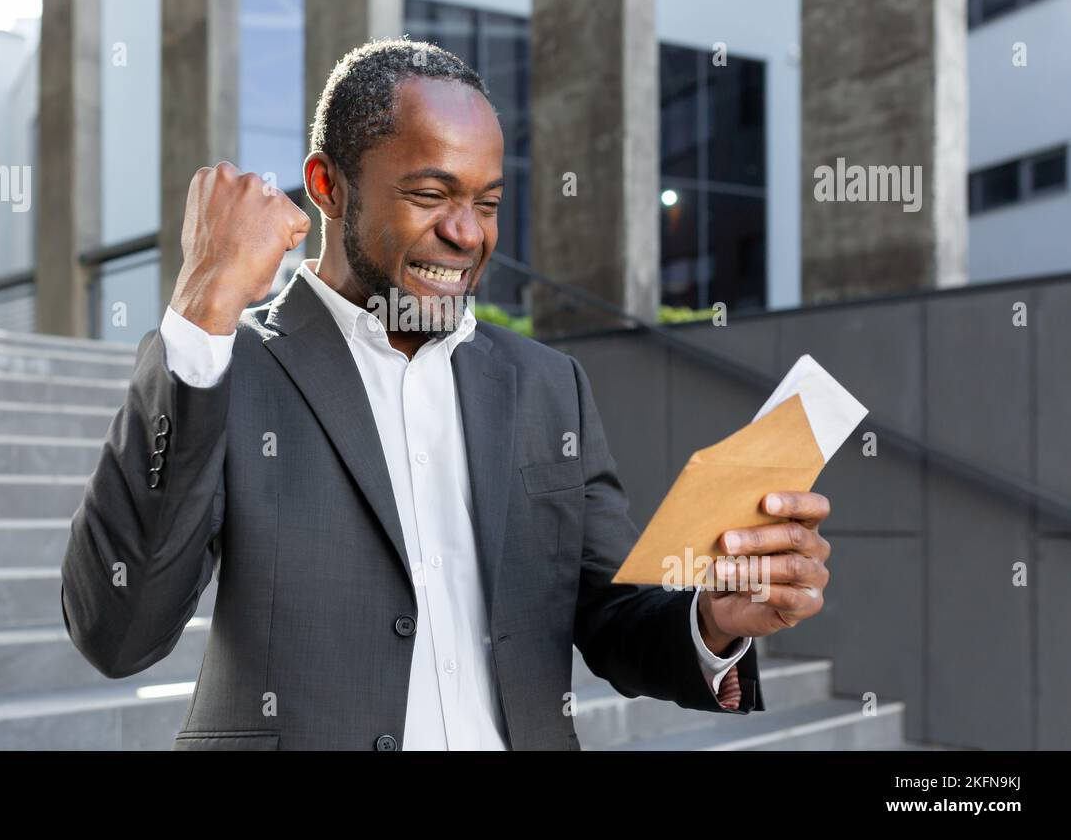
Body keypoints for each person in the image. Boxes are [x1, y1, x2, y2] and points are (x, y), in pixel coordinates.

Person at [61, 38, 833, 750]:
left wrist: (714, 621)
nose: (468, 234)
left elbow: (612, 615)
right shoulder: (227, 368)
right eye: (432, 194)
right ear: (328, 186)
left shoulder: (545, 385)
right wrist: (201, 315)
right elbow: (117, 631)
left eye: (488, 202)